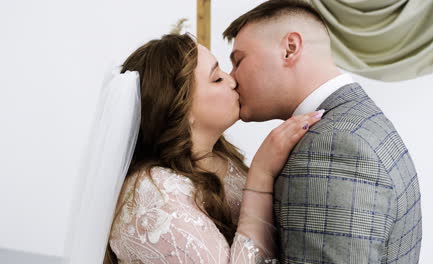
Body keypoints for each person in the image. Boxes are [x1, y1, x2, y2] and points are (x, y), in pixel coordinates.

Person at [223, 0, 422, 263]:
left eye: (239, 61)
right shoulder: (356, 119)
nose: (232, 77)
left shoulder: (332, 144)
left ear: (289, 49)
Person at [104, 32, 324, 263]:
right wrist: (261, 174)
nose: (233, 80)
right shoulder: (153, 194)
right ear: (181, 108)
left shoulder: (223, 159)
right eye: (217, 78)